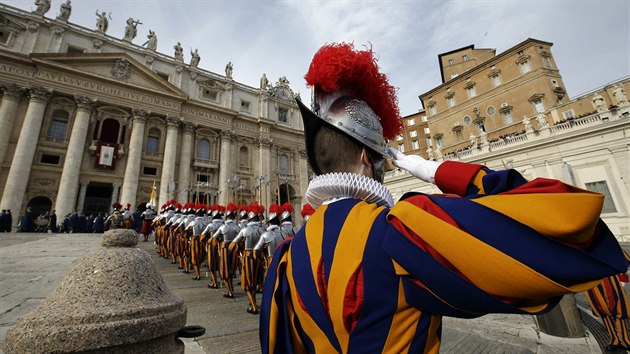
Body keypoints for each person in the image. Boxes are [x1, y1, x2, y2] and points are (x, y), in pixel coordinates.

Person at [259, 42, 628, 353]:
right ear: (364, 159)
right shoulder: (400, 231)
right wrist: (436, 170)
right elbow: (574, 224)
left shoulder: (286, 259)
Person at [585, 251, 630, 352]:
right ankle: (614, 339)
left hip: (611, 279)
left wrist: (622, 277)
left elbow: (620, 256)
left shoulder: (603, 240)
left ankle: (625, 340)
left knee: (619, 309)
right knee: (603, 310)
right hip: (592, 282)